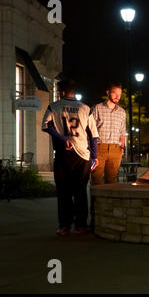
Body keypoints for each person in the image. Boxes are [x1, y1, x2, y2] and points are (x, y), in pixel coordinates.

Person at [42, 79, 99, 235]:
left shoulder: (54, 107)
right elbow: (94, 135)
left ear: (62, 92)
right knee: (80, 190)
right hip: (83, 154)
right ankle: (81, 225)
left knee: (63, 192)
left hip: (63, 154)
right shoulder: (86, 108)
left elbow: (45, 125)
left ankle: (64, 226)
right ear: (73, 92)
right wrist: (94, 156)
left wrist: (62, 139)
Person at [91, 83, 127, 185]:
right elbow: (90, 129)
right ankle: (95, 201)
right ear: (108, 92)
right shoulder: (97, 108)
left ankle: (109, 202)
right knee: (96, 179)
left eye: (119, 94)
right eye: (115, 93)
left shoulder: (122, 112)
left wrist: (122, 148)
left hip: (116, 149)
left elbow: (122, 131)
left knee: (111, 181)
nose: (117, 97)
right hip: (99, 148)